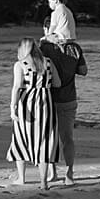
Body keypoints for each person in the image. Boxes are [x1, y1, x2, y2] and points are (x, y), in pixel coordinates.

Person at [7, 39, 60, 189]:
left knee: (21, 138)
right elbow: (58, 83)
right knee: (45, 141)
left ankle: (22, 177)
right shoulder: (48, 62)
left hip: (27, 104)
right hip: (46, 104)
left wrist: (13, 107)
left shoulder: (20, 65)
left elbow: (16, 87)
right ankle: (44, 181)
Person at [40, 23, 88, 184]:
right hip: (69, 97)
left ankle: (52, 172)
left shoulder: (44, 48)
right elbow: (83, 71)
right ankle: (69, 174)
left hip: (49, 98)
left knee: (50, 138)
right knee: (67, 137)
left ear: (47, 30)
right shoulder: (75, 48)